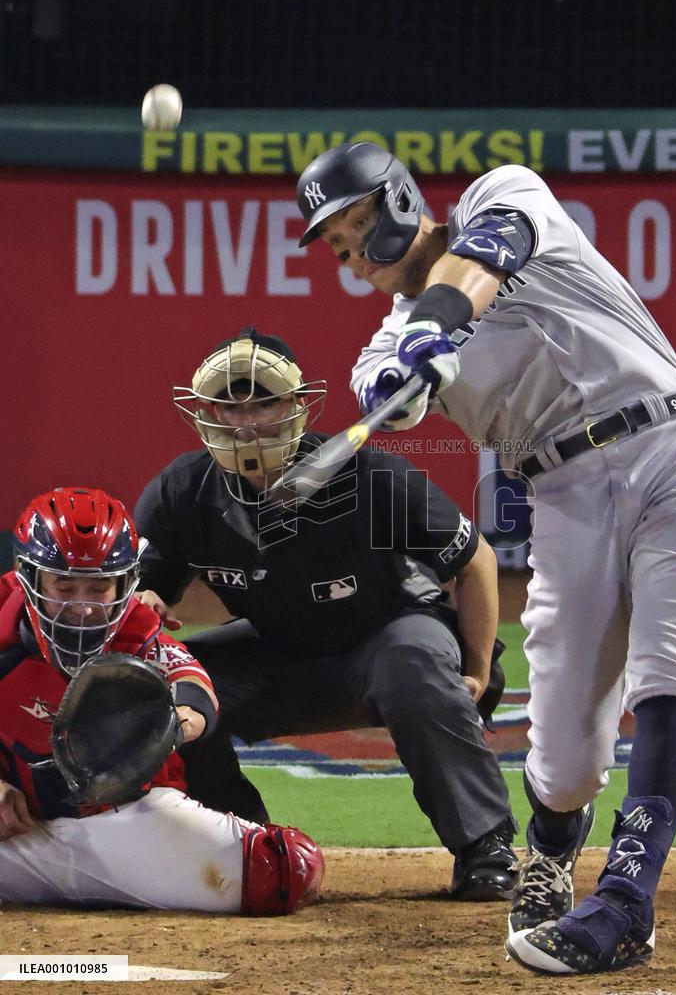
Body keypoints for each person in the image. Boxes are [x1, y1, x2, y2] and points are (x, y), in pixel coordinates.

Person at [295, 142, 676, 974]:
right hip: (566, 495)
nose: (350, 255)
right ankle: (552, 841)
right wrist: (402, 376)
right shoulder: (385, 344)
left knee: (666, 679)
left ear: (398, 201)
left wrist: (434, 327)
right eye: (334, 245)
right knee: (567, 760)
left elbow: (485, 256)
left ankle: (625, 903)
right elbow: (383, 393)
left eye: (353, 226)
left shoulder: (499, 195)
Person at [134, 327, 518, 901]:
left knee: (411, 663)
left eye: (263, 403)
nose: (246, 423)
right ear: (206, 413)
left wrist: (480, 669)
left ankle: (485, 848)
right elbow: (144, 589)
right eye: (230, 407)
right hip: (276, 655)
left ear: (296, 405)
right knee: (161, 685)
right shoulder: (184, 492)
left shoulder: (369, 477)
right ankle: (242, 844)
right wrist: (143, 602)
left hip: (388, 637)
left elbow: (477, 560)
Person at [0, 486, 323, 915]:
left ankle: (68, 876)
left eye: (99, 587)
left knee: (285, 867)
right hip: (20, 832)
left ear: (125, 584)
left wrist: (175, 724)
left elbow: (193, 687)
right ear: (28, 577)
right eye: (64, 585)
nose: (83, 607)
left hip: (126, 824)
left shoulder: (138, 628)